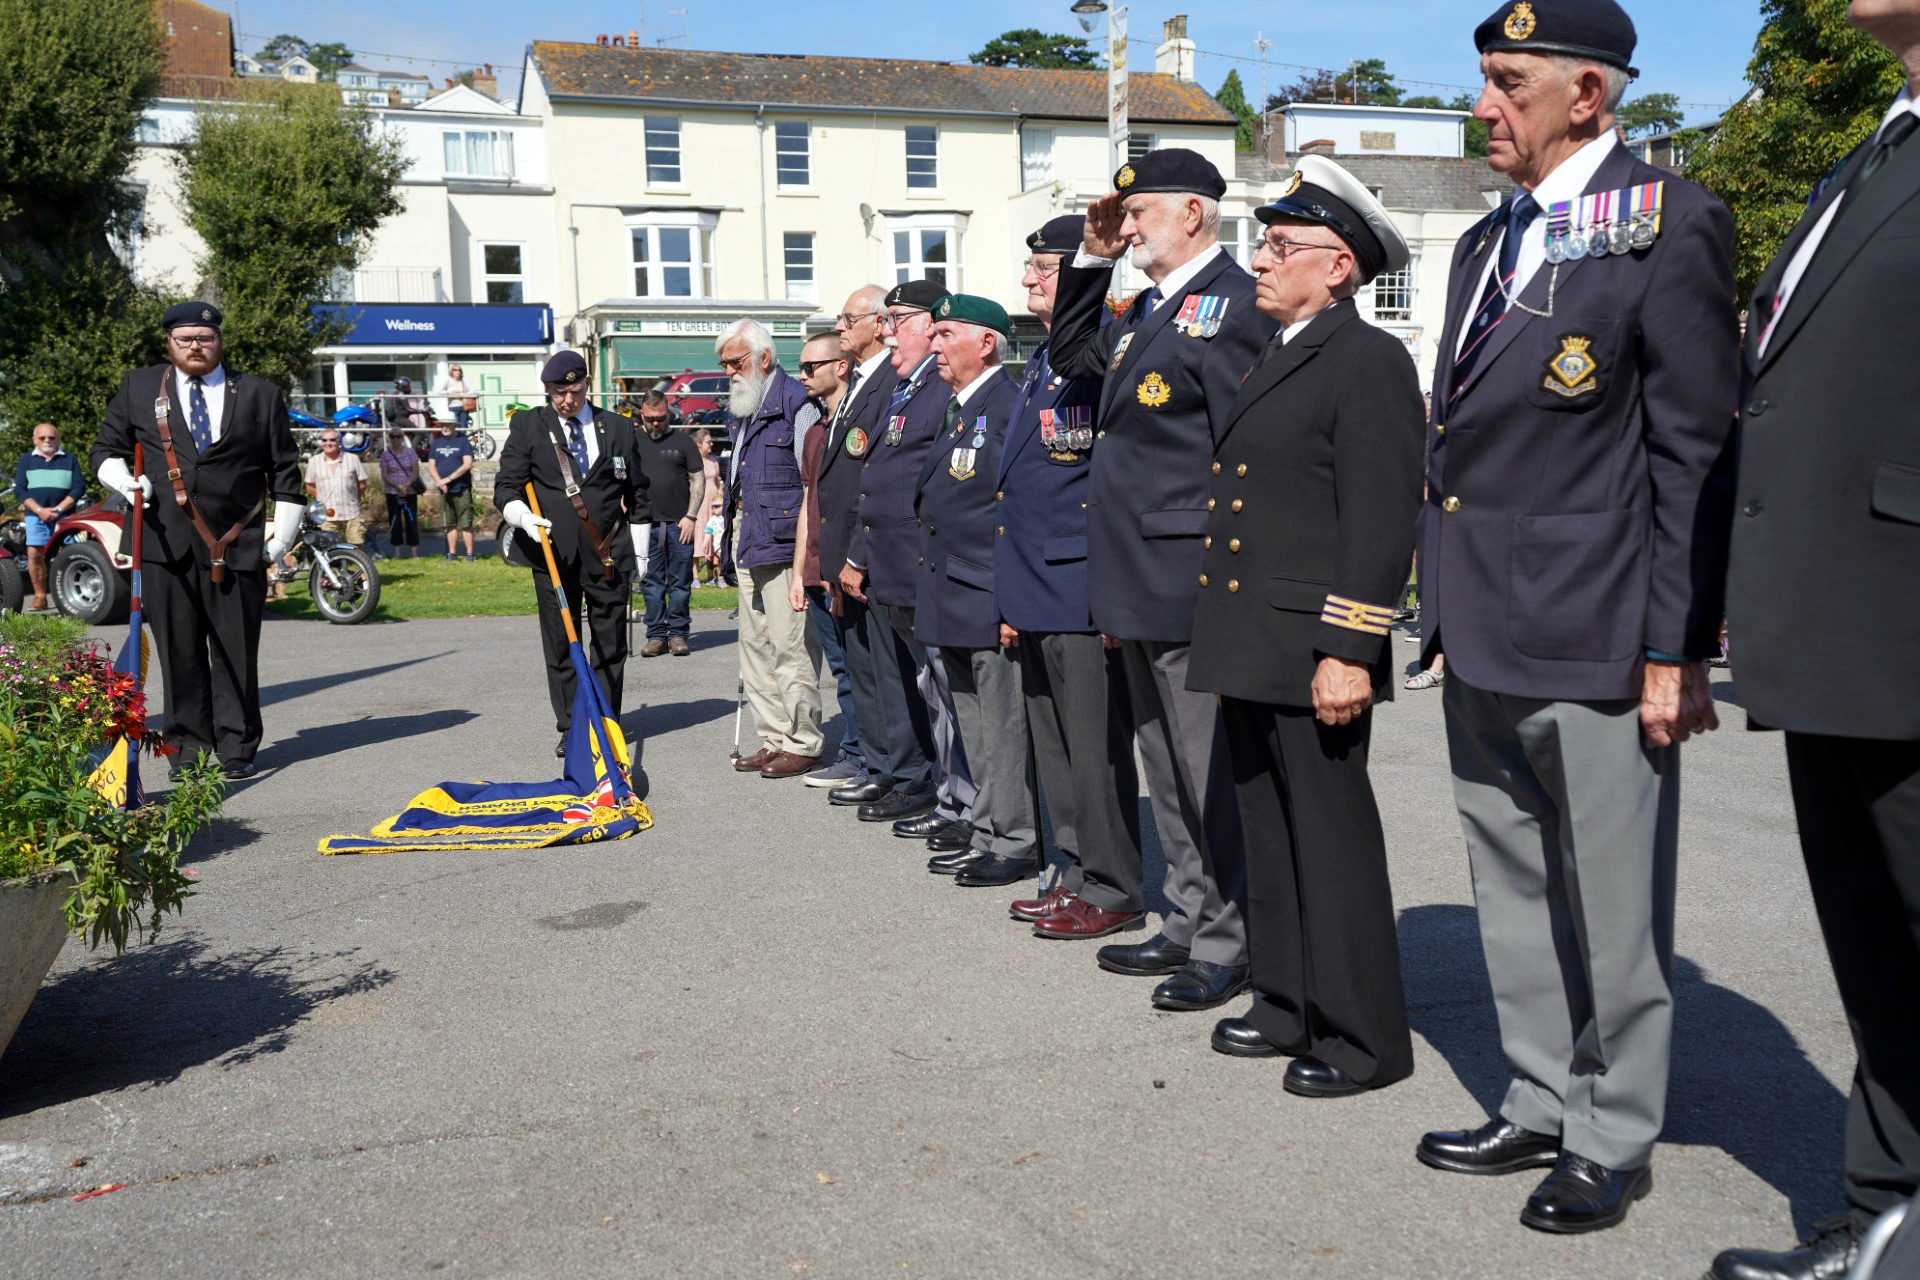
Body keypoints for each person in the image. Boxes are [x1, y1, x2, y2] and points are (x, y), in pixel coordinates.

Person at [1413, 0, 1737, 1235]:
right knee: (1510, 881)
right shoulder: (1489, 239)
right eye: (1486, 79)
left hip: (1600, 622)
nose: (1485, 104)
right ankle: (1541, 1091)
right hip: (1484, 616)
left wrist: (1676, 644)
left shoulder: (1668, 222)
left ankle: (1612, 1129)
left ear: (1587, 96)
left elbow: (1694, 449)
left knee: (1610, 897)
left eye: (1508, 81)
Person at [1710, 2, 1920, 1274]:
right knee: (1878, 947)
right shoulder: (1875, 149)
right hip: (1838, 620)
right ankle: (1885, 1220)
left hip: (1903, 611)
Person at [1186, 156, 1425, 1098]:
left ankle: (1363, 1037)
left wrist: (1349, 649)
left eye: (1281, 247)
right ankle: (1285, 1001)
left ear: (1338, 265)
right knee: (1269, 829)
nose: (1260, 261)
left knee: (1330, 841)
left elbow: (1379, 518)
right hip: (1255, 637)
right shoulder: (1277, 351)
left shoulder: (1367, 359)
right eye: (1263, 244)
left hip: (1312, 641)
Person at [1045, 149, 1276, 999]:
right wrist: (1094, 258)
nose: (1129, 222)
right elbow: (1075, 356)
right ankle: (1186, 916)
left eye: (1140, 211)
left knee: (1204, 765)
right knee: (1166, 767)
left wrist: (1231, 577)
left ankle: (1229, 938)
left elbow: (1240, 450)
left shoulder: (1239, 304)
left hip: (1190, 574)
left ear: (1194, 213)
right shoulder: (1151, 307)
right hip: (1135, 575)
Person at [994, 217, 1145, 910]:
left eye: (1042, 268)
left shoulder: (1107, 346)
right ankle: (1076, 873)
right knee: (1055, 749)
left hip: (1080, 582)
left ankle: (1112, 886)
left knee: (1093, 752)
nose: (1028, 278)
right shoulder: (1040, 359)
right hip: (1034, 583)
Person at [90, 301, 304, 781]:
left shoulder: (259, 394)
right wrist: (124, 482)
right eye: (184, 339)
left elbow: (286, 471)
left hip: (238, 543)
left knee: (236, 650)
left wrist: (281, 539)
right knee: (178, 652)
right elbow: (105, 449)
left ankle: (237, 746)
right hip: (164, 543)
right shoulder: (140, 386)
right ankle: (185, 745)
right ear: (169, 343)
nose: (195, 346)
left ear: (219, 342)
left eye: (204, 338)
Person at [838, 280, 977, 848]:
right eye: (888, 319)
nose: (889, 331)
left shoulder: (937, 388)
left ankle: (965, 804)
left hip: (926, 566)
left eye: (900, 319)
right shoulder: (906, 387)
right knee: (932, 691)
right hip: (898, 567)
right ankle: (951, 798)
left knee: (951, 695)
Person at [912, 294, 1037, 886]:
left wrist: (1014, 601)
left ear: (985, 342)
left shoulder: (1008, 407)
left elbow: (1016, 513)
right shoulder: (961, 408)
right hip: (952, 592)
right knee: (973, 725)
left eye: (944, 333)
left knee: (1001, 728)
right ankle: (987, 830)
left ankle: (1013, 839)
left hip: (986, 593)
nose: (932, 345)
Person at [494, 350, 652, 758]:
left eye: (575, 390)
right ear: (547, 391)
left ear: (586, 384)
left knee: (610, 643)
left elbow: (638, 493)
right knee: (563, 643)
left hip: (609, 555)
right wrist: (522, 517)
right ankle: (571, 726)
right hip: (552, 553)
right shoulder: (529, 424)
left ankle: (604, 722)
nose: (568, 400)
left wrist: (642, 553)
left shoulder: (618, 427)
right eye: (558, 392)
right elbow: (506, 486)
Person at [819, 286, 933, 815]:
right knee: (865, 669)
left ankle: (907, 773)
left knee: (892, 674)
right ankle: (883, 765)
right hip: (851, 551)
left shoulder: (895, 378)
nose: (841, 327)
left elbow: (881, 477)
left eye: (850, 318)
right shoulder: (866, 381)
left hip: (880, 555)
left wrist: (857, 556)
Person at [719, 319, 824, 779]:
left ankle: (803, 741)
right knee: (754, 646)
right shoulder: (743, 406)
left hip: (784, 543)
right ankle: (774, 737)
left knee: (789, 646)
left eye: (735, 361)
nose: (728, 371)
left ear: (764, 358)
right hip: (749, 535)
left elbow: (812, 483)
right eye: (723, 363)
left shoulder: (796, 403)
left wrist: (806, 557)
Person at [789, 332, 869, 790]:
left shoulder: (857, 424)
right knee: (841, 668)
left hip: (848, 567)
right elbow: (809, 502)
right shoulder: (816, 430)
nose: (802, 376)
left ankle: (863, 756)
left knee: (862, 668)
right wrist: (801, 570)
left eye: (810, 366)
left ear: (840, 366)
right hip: (818, 569)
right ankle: (856, 753)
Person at [631, 389, 707, 657]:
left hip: (679, 524)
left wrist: (691, 516)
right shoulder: (632, 441)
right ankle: (656, 636)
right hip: (644, 525)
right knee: (650, 584)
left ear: (668, 413)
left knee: (680, 584)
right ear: (641, 414)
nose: (655, 423)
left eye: (660, 418)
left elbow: (698, 480)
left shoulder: (683, 442)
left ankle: (677, 634)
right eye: (650, 419)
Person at [12, 423, 86, 612]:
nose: (47, 441)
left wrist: (59, 509)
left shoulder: (70, 459)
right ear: (34, 440)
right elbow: (20, 489)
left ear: (58, 439)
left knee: (70, 553)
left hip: (66, 515)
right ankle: (40, 597)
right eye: (43, 437)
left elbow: (79, 487)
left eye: (52, 437)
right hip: (36, 516)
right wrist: (40, 510)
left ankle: (70, 597)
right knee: (34, 554)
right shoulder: (26, 460)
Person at [304, 427, 368, 545]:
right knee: (328, 549)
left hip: (351, 513)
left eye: (332, 440)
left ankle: (358, 564)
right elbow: (309, 486)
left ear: (339, 442)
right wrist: (324, 499)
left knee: (357, 546)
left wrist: (353, 498)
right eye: (324, 440)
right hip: (327, 515)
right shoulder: (314, 461)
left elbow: (362, 484)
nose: (328, 443)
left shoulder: (353, 459)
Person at [427, 416, 477, 561]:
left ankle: (469, 555)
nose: (445, 427)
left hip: (462, 488)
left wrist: (448, 479)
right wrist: (439, 482)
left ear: (454, 426)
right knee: (449, 524)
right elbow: (431, 466)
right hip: (444, 490)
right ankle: (452, 554)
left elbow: (467, 464)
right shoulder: (436, 444)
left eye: (448, 424)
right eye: (443, 425)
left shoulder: (463, 442)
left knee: (466, 524)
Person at [378, 429, 423, 558]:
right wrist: (398, 486)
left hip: (410, 491)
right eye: (393, 437)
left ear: (403, 438)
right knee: (394, 521)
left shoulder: (410, 452)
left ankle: (414, 552)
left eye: (398, 437)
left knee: (411, 520)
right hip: (392, 491)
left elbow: (415, 471)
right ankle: (397, 553)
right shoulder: (386, 455)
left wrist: (407, 485)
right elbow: (384, 476)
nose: (396, 439)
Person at [693, 428, 725, 584]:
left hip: (713, 504)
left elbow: (718, 482)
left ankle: (712, 575)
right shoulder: (691, 460)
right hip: (698, 504)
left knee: (714, 537)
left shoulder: (713, 460)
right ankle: (695, 576)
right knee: (699, 537)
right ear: (699, 443)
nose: (711, 443)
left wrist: (721, 499)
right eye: (708, 441)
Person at [437, 363, 473, 431]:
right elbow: (439, 391)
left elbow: (472, 391)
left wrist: (462, 394)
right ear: (452, 371)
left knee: (463, 428)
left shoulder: (463, 379)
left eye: (459, 370)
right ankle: (456, 441)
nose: (458, 372)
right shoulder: (448, 380)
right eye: (455, 370)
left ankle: (462, 441)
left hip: (463, 407)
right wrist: (450, 394)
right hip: (453, 407)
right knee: (454, 428)